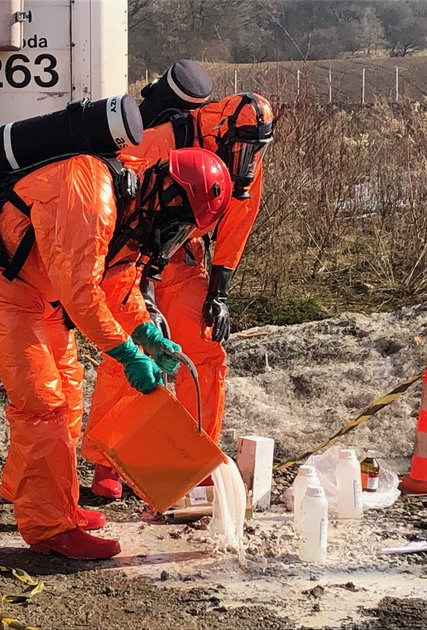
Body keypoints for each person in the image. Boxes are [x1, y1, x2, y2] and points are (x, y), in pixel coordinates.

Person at [0, 147, 232, 559]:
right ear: (170, 193)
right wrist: (128, 354)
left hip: (41, 288)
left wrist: (147, 334)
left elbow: (117, 284)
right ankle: (48, 528)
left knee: (67, 388)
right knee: (42, 400)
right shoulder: (92, 193)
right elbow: (82, 293)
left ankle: (46, 498)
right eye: (178, 227)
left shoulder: (136, 211)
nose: (172, 238)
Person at [82, 91, 276, 499]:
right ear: (222, 132)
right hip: (134, 251)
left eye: (253, 151)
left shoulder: (248, 161)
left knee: (205, 351)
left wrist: (219, 292)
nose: (246, 159)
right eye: (241, 148)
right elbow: (124, 193)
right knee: (126, 353)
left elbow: (239, 220)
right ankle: (107, 462)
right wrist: (138, 278)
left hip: (183, 253)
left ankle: (191, 457)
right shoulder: (166, 138)